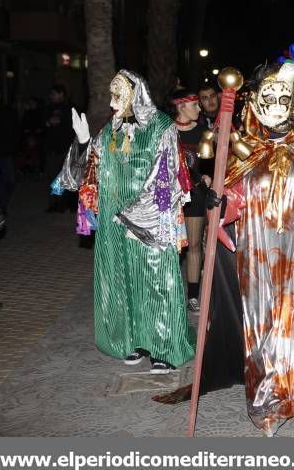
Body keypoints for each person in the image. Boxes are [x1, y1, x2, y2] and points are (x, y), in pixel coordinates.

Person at [165, 62, 294, 435]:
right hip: (255, 253)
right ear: (254, 103)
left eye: (283, 99)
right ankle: (265, 394)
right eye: (266, 99)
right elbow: (231, 199)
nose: (275, 106)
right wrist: (220, 205)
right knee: (260, 324)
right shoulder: (244, 149)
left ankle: (292, 393)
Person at [52, 70, 195, 374]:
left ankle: (165, 346)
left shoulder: (161, 127)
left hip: (150, 221)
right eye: (111, 95)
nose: (113, 101)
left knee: (155, 281)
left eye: (118, 95)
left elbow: (165, 176)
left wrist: (136, 216)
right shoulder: (110, 132)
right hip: (114, 222)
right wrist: (82, 141)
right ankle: (135, 340)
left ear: (136, 94)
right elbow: (88, 171)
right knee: (123, 281)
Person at [170, 88, 212, 313]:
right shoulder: (166, 131)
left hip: (195, 195)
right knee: (172, 248)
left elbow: (210, 164)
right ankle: (171, 292)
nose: (199, 108)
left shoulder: (204, 132)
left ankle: (193, 295)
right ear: (181, 106)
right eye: (194, 104)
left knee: (194, 245)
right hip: (170, 197)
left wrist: (209, 175)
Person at [44, 84, 74, 212]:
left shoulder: (70, 108)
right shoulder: (48, 108)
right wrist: (48, 123)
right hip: (52, 148)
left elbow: (73, 126)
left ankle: (63, 204)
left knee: (64, 177)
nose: (52, 97)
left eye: (54, 94)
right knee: (52, 176)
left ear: (61, 94)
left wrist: (61, 122)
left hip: (65, 148)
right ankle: (54, 203)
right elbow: (42, 123)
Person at [0, 89, 17, 213]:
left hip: (6, 153)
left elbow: (14, 130)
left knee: (9, 181)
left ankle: (3, 202)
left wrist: (14, 147)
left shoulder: (7, 111)